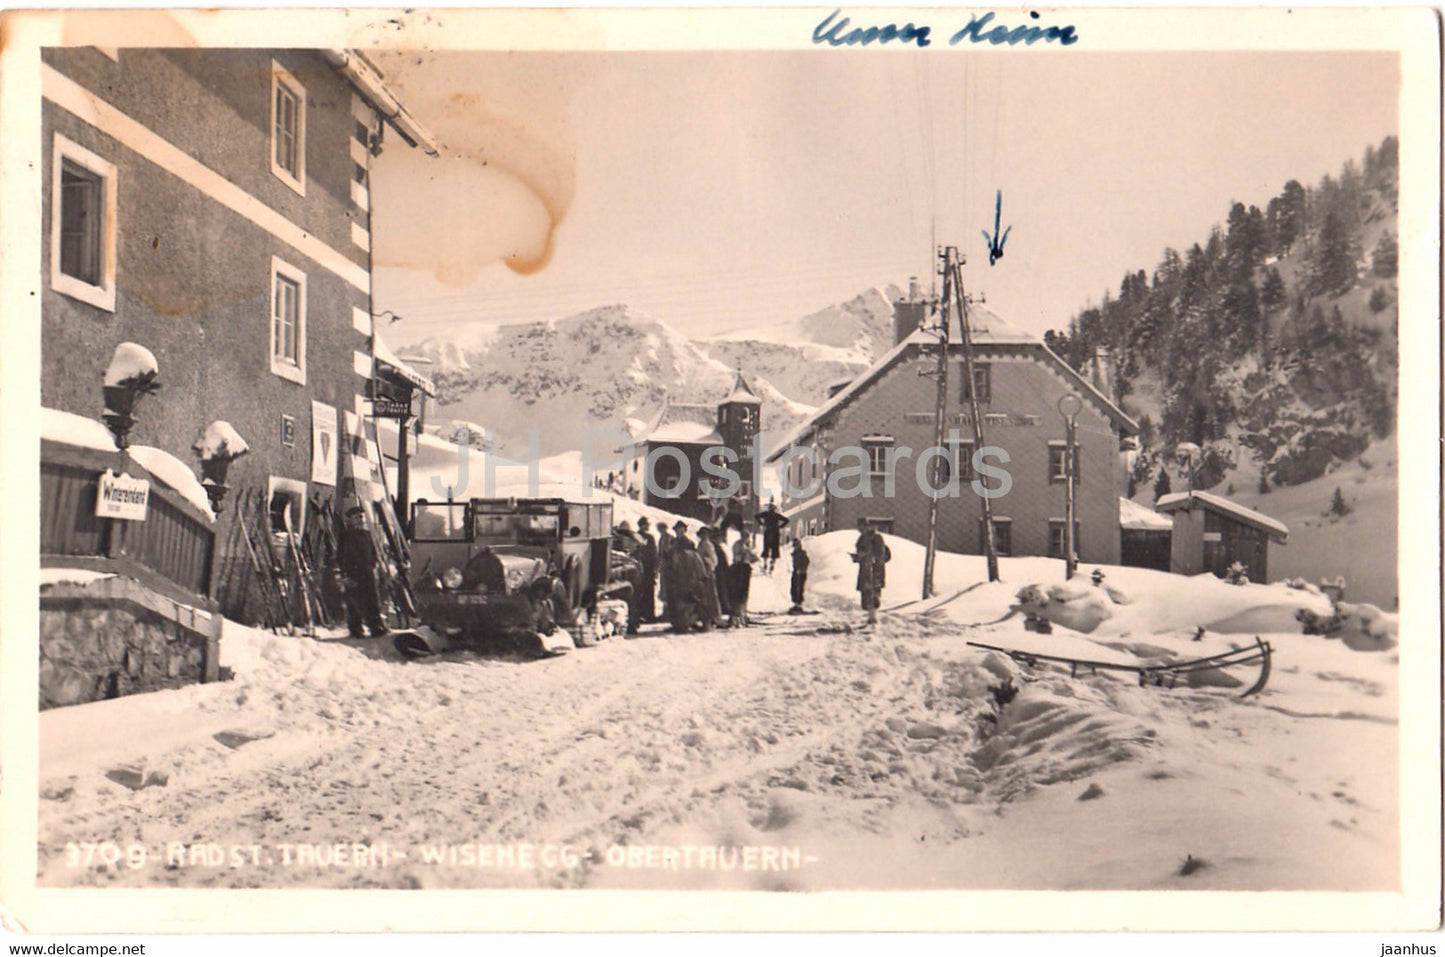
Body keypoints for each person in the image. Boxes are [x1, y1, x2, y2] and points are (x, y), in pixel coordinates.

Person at [337, 504, 388, 638]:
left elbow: (373, 552)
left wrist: (375, 565)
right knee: (354, 601)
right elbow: (341, 556)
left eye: (362, 517)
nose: (360, 520)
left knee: (372, 600)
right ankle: (355, 629)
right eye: (357, 517)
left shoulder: (367, 535)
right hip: (353, 573)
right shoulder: (346, 536)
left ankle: (376, 627)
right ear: (350, 520)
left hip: (367, 572)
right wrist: (346, 574)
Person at [852, 518, 891, 625]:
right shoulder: (862, 538)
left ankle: (873, 617)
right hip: (865, 569)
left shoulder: (876, 537)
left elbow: (880, 555)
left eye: (861, 526)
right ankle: (870, 617)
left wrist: (869, 557)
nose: (859, 529)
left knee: (874, 594)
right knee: (866, 595)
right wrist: (858, 557)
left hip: (874, 570)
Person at [695, 527, 725, 628]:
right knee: (704, 596)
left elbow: (713, 560)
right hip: (701, 572)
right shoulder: (700, 544)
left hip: (708, 572)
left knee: (711, 595)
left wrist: (707, 563)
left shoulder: (708, 545)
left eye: (705, 534)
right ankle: (706, 617)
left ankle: (714, 617)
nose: (703, 536)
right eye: (701, 534)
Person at [729, 535, 758, 627]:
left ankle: (742, 615)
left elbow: (751, 557)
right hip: (740, 569)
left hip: (745, 569)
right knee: (739, 593)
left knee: (744, 593)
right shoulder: (738, 545)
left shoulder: (746, 546)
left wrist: (753, 558)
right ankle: (737, 616)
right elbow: (738, 558)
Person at [635, 516, 659, 623]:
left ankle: (646, 614)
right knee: (644, 591)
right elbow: (653, 554)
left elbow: (654, 554)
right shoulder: (645, 537)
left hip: (646, 568)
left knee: (646, 591)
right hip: (643, 567)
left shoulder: (645, 537)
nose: (647, 526)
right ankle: (646, 615)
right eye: (646, 525)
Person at [756, 501, 790, 573]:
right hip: (775, 533)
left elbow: (756, 516)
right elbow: (786, 520)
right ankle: (772, 563)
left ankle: (765, 563)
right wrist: (780, 526)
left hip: (768, 532)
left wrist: (761, 523)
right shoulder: (776, 515)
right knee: (774, 548)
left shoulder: (765, 514)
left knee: (766, 547)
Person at [789, 538, 810, 613]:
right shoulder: (794, 554)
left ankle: (799, 605)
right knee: (793, 588)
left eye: (796, 545)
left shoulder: (802, 553)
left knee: (799, 588)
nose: (795, 547)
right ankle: (795, 604)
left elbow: (806, 562)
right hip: (795, 572)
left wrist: (802, 569)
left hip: (801, 573)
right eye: (794, 545)